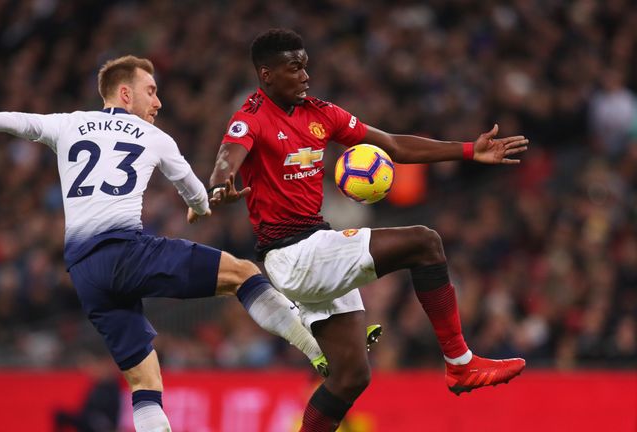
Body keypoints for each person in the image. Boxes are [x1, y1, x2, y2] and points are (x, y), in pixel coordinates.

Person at [0, 55, 328, 432]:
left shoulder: (69, 123)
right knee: (243, 273)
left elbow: (23, 122)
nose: (158, 102)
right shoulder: (154, 137)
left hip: (84, 271)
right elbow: (197, 193)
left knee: (145, 385)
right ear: (126, 93)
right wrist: (200, 208)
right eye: (151, 91)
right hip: (125, 251)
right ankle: (316, 351)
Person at [207, 29, 528, 431]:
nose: (306, 75)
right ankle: (460, 363)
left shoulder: (321, 113)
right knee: (425, 243)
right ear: (266, 74)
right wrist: (221, 184)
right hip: (294, 254)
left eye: (306, 65)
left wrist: (468, 150)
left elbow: (393, 144)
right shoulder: (250, 118)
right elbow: (227, 157)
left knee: (350, 377)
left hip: (315, 247)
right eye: (295, 68)